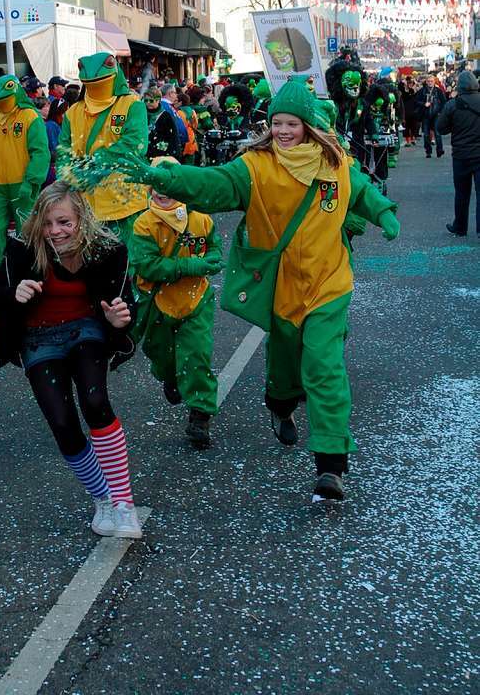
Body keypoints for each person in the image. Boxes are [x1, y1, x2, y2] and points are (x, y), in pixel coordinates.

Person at [118, 79, 400, 501]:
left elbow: (359, 191)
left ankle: (331, 462)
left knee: (325, 368)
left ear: (309, 126)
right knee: (287, 365)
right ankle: (280, 402)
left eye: (292, 123)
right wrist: (167, 179)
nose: (284, 130)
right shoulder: (255, 166)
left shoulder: (335, 162)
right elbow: (212, 185)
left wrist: (383, 212)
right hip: (283, 287)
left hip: (329, 283)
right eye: (277, 123)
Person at [0, 181, 142, 539]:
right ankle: (103, 500)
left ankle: (125, 505)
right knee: (63, 423)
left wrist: (120, 319)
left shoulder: (107, 251)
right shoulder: (24, 248)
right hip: (38, 338)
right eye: (48, 223)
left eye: (64, 222)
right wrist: (12, 293)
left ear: (81, 219)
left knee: (95, 402)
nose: (55, 232)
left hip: (86, 330)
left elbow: (125, 305)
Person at [132, 157, 224, 447]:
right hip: (158, 303)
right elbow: (147, 266)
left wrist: (207, 264)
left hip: (196, 301)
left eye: (170, 181)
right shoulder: (143, 224)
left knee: (196, 357)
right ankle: (170, 378)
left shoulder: (202, 219)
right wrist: (188, 267)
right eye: (156, 182)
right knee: (161, 355)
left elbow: (215, 254)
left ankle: (200, 415)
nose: (162, 188)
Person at [57, 53, 149, 245]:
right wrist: (66, 182)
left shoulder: (132, 105)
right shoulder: (72, 112)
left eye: (109, 64)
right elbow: (63, 152)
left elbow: (136, 145)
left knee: (131, 264)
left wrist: (95, 163)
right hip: (84, 206)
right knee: (90, 265)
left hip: (126, 205)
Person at [0, 74, 49, 276]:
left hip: (21, 184)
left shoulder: (30, 116)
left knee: (27, 232)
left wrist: (31, 181)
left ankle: (31, 274)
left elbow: (40, 152)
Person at [437, 70, 480, 237]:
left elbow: (441, 128)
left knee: (462, 192)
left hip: (461, 155)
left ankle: (460, 226)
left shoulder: (453, 104)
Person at [144, 88, 181, 161]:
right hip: (145, 152)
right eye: (146, 100)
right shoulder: (142, 113)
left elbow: (173, 136)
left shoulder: (166, 116)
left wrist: (173, 155)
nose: (148, 103)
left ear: (158, 100)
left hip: (161, 154)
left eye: (151, 101)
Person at [417, 74, 446, 158]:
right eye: (428, 81)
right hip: (425, 115)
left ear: (434, 82)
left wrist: (440, 112)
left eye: (431, 81)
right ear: (426, 82)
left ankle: (439, 150)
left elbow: (444, 102)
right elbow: (416, 101)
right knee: (426, 134)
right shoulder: (422, 91)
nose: (430, 83)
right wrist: (423, 104)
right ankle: (428, 151)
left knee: (437, 133)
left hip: (436, 114)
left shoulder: (438, 91)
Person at [45, 98, 68, 185]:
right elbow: (54, 149)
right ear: (59, 112)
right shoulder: (51, 126)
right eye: (66, 111)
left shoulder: (60, 125)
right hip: (52, 169)